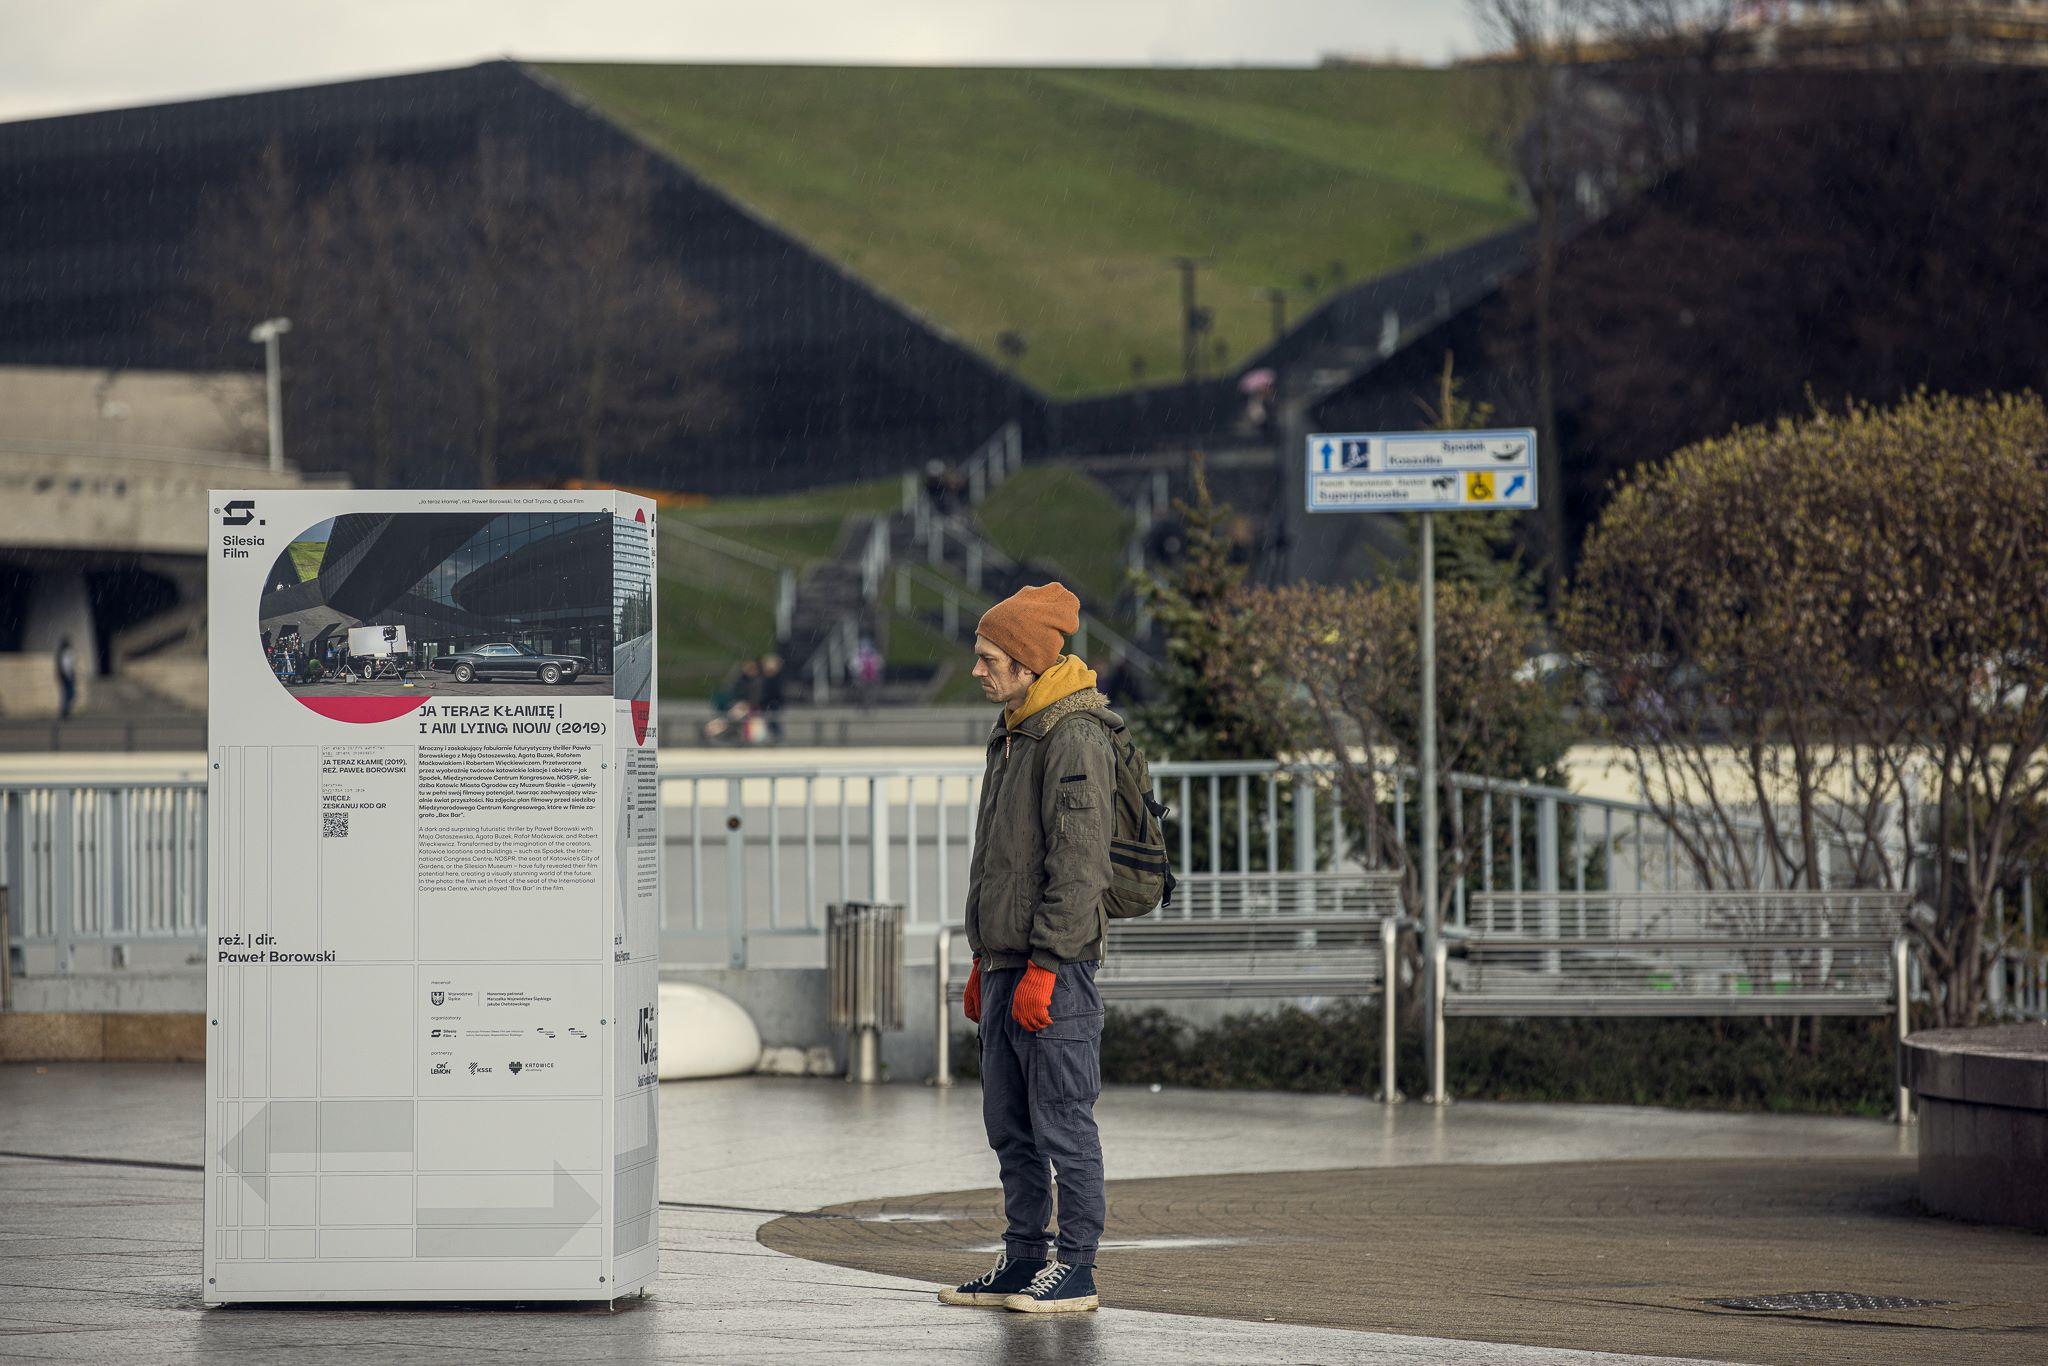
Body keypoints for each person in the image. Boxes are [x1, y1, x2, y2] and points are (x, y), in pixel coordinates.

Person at [939, 582, 1114, 1315]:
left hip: (1054, 972)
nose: (976, 670)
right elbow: (1003, 861)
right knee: (1009, 1127)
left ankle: (1076, 1268)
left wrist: (1045, 966)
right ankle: (1023, 1257)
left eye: (988, 658)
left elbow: (1077, 870)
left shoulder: (1072, 737)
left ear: (1026, 660)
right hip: (1009, 965)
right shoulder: (1015, 728)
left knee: (1063, 1122)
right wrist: (986, 959)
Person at [758, 653, 786, 744]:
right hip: (766, 703)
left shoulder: (776, 678)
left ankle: (778, 740)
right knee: (768, 723)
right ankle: (772, 739)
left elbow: (776, 693)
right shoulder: (764, 678)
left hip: (773, 703)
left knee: (774, 722)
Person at [55, 636, 78, 719]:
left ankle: (65, 711)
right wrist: (69, 676)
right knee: (70, 694)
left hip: (66, 675)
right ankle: (65, 712)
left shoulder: (62, 652)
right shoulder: (66, 653)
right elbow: (66, 665)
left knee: (67, 694)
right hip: (67, 675)